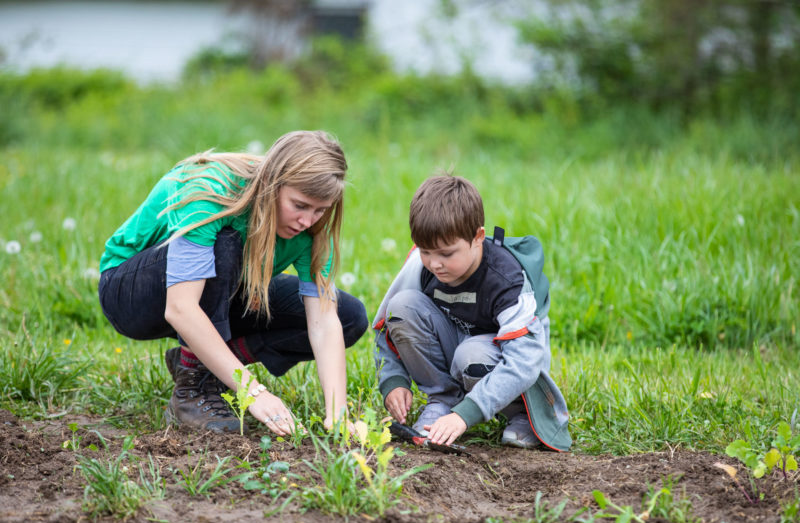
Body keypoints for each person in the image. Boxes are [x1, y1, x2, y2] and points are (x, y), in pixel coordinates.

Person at [98, 130, 368, 436]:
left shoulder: (313, 230)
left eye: (320, 210)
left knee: (349, 316)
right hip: (131, 294)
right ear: (272, 183)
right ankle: (194, 389)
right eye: (300, 205)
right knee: (225, 245)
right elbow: (180, 308)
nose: (308, 221)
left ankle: (208, 363)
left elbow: (323, 323)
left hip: (226, 288)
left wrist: (338, 416)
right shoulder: (213, 192)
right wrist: (253, 392)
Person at [372, 174, 571, 451]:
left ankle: (522, 414)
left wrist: (468, 414)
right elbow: (385, 326)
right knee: (401, 306)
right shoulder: (421, 265)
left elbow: (525, 361)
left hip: (501, 359)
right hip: (459, 347)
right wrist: (393, 381)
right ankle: (443, 401)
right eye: (427, 251)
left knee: (471, 355)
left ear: (478, 237)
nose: (435, 264)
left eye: (447, 253)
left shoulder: (507, 278)